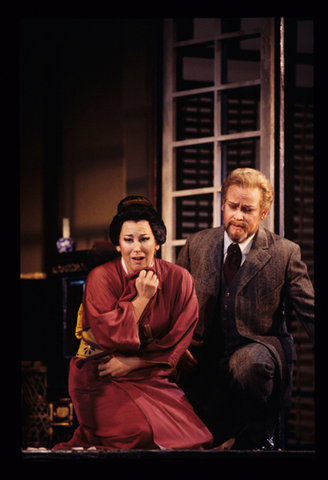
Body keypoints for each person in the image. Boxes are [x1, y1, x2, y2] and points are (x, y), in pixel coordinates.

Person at [53, 196, 213, 450]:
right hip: (101, 373)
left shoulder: (180, 279)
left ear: (158, 243)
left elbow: (179, 337)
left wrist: (134, 362)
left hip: (150, 374)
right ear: (118, 245)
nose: (136, 248)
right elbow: (109, 337)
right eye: (128, 240)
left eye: (144, 239)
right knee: (137, 433)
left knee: (196, 438)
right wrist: (142, 299)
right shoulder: (100, 278)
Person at [176, 168, 315, 450]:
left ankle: (259, 438)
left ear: (263, 213)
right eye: (233, 206)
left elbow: (310, 311)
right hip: (205, 358)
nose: (238, 215)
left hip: (257, 349)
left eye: (247, 209)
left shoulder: (284, 253)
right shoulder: (197, 244)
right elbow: (173, 304)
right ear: (222, 205)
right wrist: (177, 344)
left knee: (247, 363)